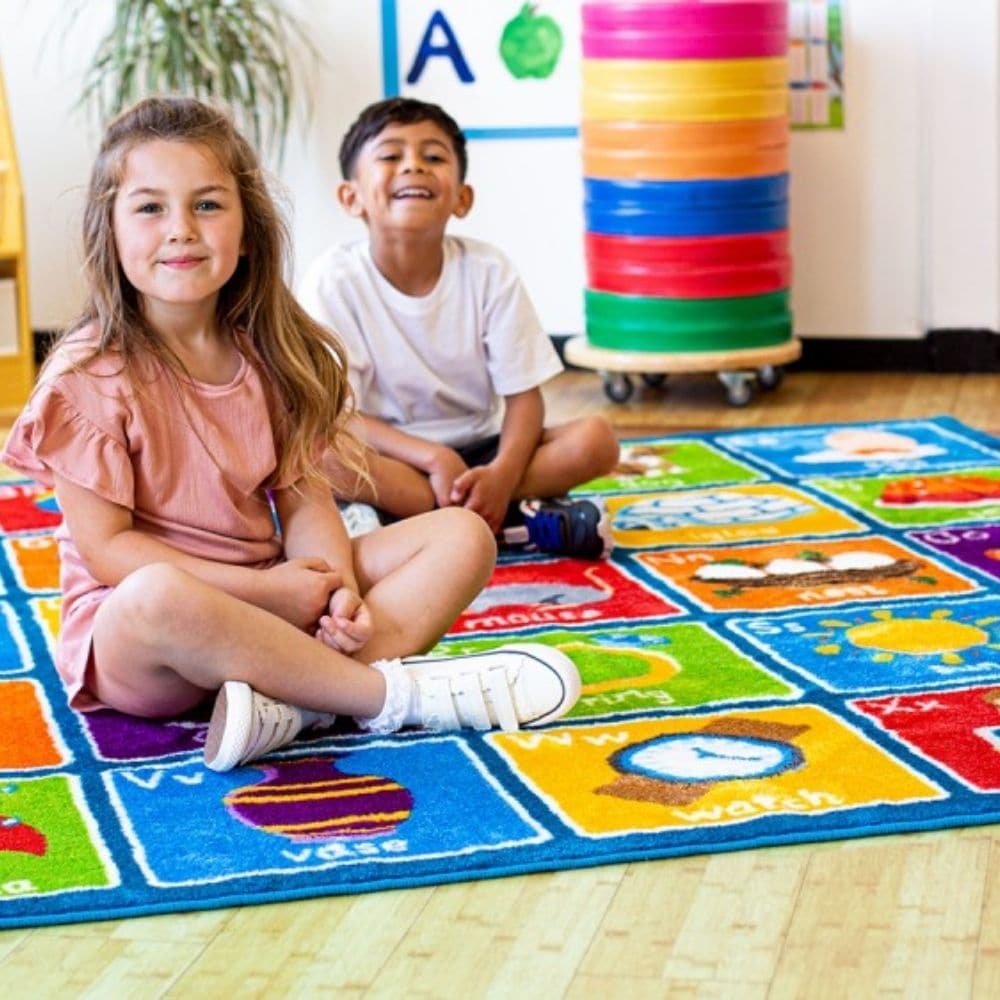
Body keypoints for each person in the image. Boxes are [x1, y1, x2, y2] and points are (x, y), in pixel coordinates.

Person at [0, 97, 582, 773]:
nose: (181, 229)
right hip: (151, 644)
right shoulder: (87, 374)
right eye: (151, 208)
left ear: (248, 230)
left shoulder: (270, 353)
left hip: (274, 595)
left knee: (462, 535)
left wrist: (336, 588)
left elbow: (306, 500)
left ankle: (293, 702)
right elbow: (109, 553)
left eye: (208, 205)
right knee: (156, 594)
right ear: (110, 227)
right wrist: (267, 594)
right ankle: (391, 696)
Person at [298, 97, 620, 559]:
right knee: (314, 453)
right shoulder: (333, 280)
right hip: (392, 461)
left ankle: (415, 521)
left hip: (480, 453)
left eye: (433, 157)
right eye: (391, 156)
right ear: (351, 197)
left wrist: (504, 473)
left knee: (596, 439)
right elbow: (337, 413)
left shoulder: (488, 269)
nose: (414, 167)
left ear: (462, 198)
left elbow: (524, 398)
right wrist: (431, 457)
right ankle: (514, 521)